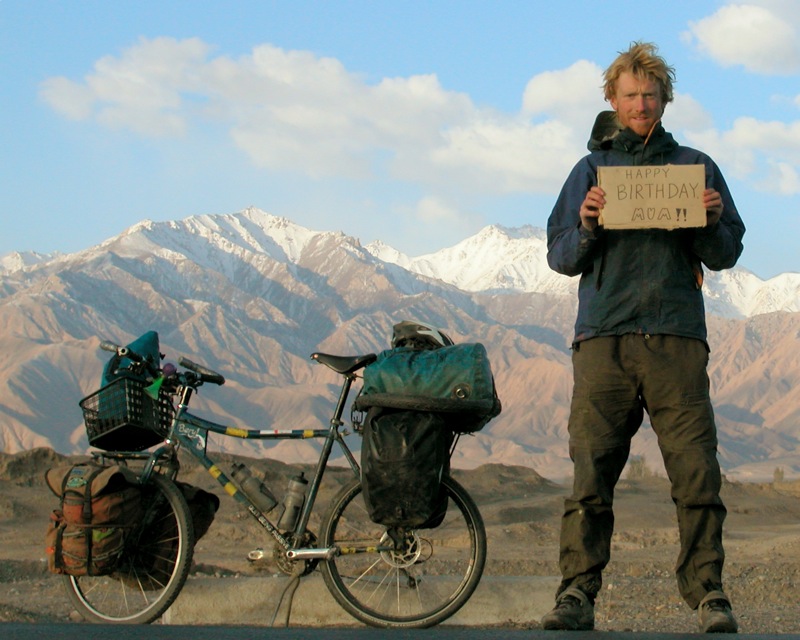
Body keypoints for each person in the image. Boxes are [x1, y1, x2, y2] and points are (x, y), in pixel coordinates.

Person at [542, 42, 745, 633]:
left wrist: (708, 222)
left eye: (650, 94)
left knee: (696, 473)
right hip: (603, 339)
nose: (641, 104)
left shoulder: (695, 167)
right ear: (613, 99)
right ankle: (576, 594)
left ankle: (709, 595)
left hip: (677, 338)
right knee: (589, 476)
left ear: (665, 99)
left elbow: (727, 250)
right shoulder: (588, 172)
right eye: (630, 95)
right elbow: (559, 256)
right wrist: (585, 226)